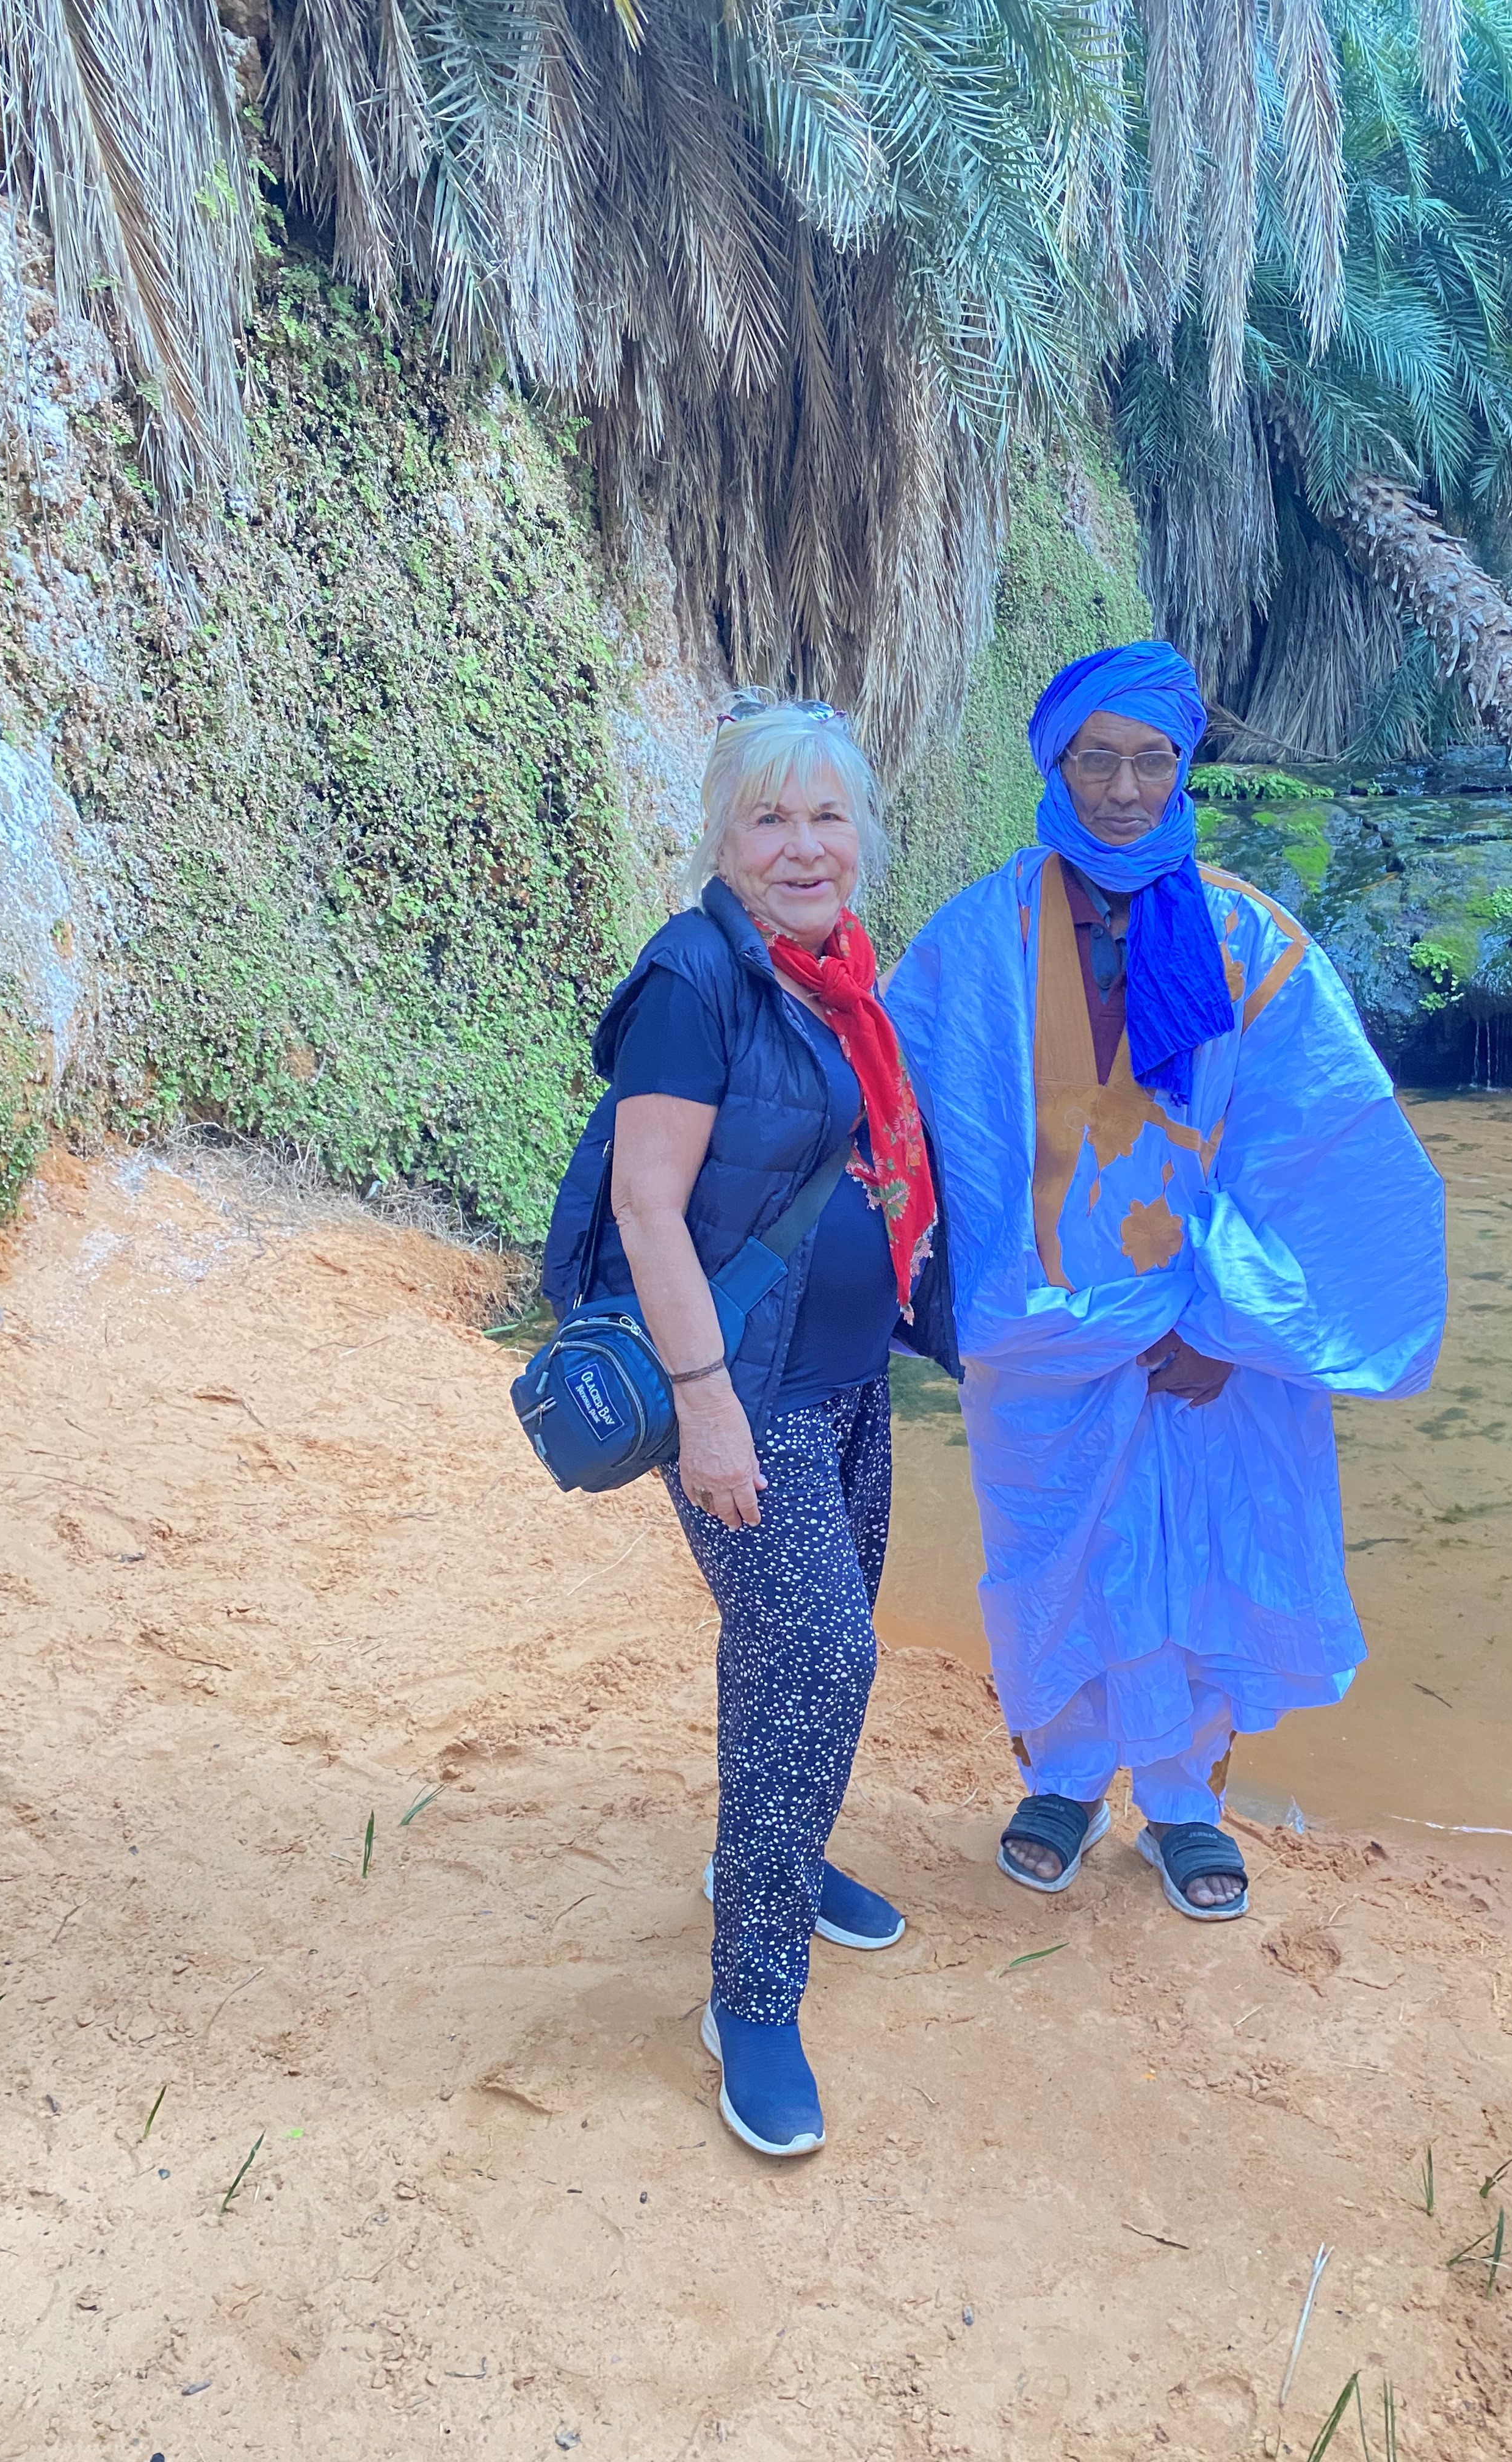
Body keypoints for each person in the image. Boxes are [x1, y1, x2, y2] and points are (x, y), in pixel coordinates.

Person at [884, 642, 1445, 1920]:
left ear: (1185, 765)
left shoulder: (1249, 938)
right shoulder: (977, 939)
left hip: (1207, 1341)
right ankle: (1065, 1781)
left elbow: (1320, 1146)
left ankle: (1186, 1805)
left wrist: (1230, 1328)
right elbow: (910, 1123)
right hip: (1038, 1341)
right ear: (1055, 763)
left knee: (1204, 1561)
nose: (1126, 789)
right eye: (1099, 759)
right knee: (1051, 1564)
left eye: (1153, 760)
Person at [541, 697, 956, 2159]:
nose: (801, 845)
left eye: (825, 815)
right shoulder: (696, 978)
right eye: (768, 817)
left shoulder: (843, 979)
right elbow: (649, 1205)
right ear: (721, 837)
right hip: (745, 1394)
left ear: (863, 836)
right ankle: (753, 1998)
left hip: (843, 1379)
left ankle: (770, 1852)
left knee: (807, 1661)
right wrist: (708, 1406)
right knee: (821, 1652)